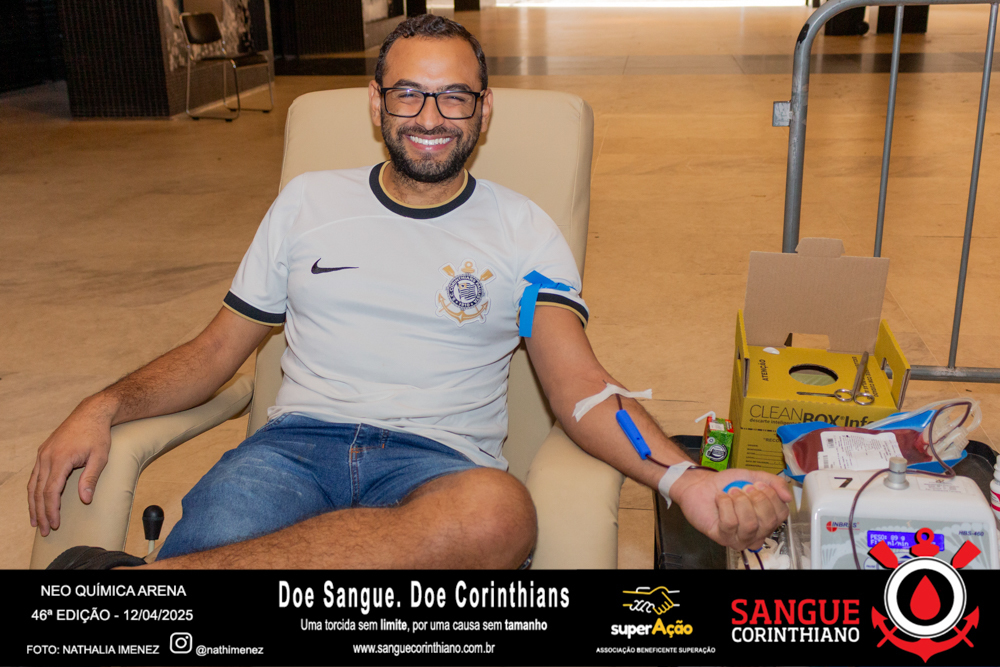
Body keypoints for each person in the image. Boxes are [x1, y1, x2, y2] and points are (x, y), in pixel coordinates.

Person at [28, 15, 791, 570]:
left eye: (454, 97)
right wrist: (104, 404)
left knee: (499, 514)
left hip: (440, 465)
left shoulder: (522, 230)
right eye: (409, 95)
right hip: (292, 452)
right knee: (227, 521)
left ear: (484, 110)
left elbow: (581, 387)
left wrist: (684, 476)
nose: (430, 118)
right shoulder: (308, 202)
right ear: (376, 104)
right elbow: (213, 352)